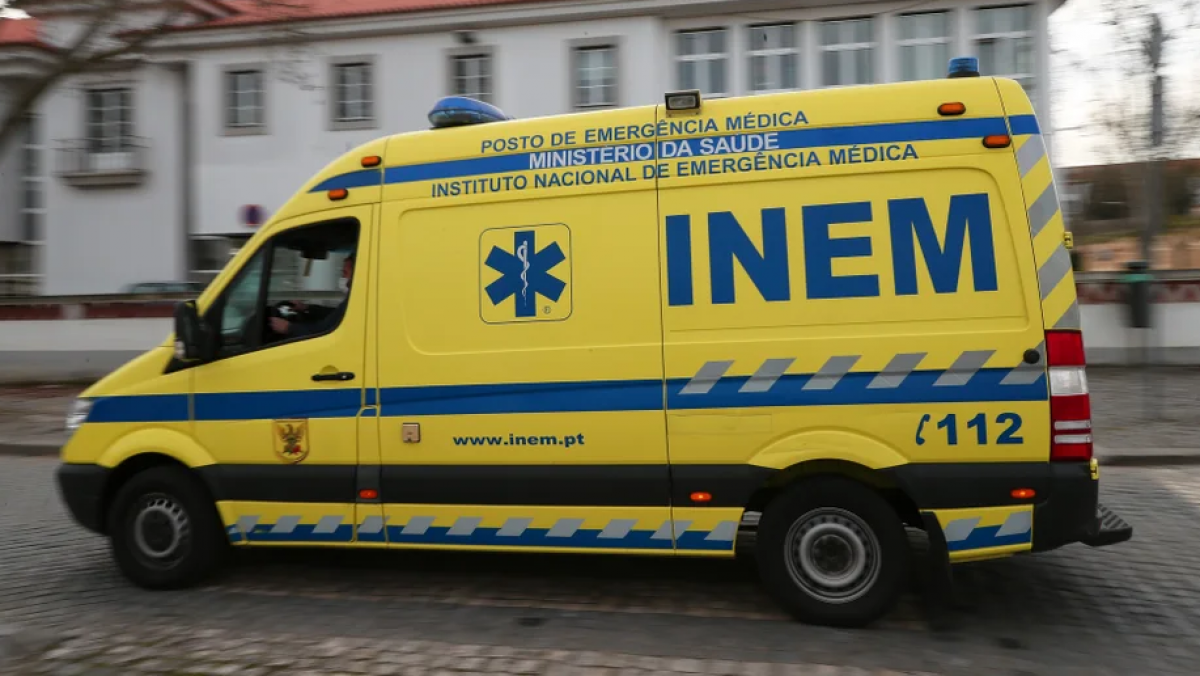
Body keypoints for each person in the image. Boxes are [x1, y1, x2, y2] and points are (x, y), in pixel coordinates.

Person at [269, 253, 354, 338]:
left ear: (355, 274)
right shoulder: (352, 301)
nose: (342, 276)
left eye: (345, 272)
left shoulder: (355, 301)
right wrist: (306, 308)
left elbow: (323, 331)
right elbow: (334, 314)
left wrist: (288, 328)